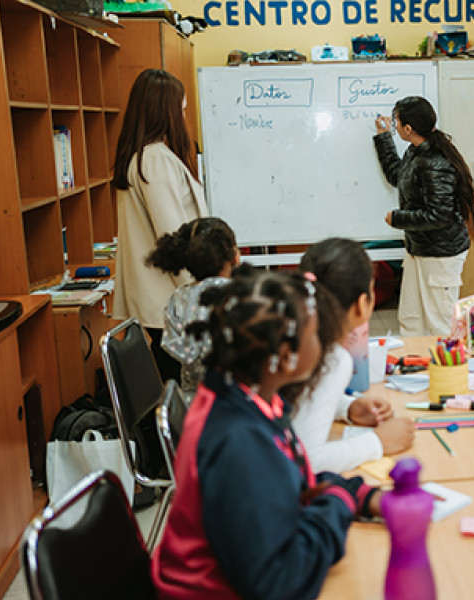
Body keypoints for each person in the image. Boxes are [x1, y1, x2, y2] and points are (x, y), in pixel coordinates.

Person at [152, 268, 381, 599]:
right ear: (286, 357)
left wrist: (358, 494)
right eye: (317, 335)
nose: (325, 343)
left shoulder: (244, 395)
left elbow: (287, 474)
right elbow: (277, 583)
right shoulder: (238, 440)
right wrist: (338, 503)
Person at [111, 68, 208, 383]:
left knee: (170, 381)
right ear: (165, 110)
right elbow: (173, 238)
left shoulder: (144, 156)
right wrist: (201, 291)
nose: (183, 114)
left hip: (160, 299)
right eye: (181, 108)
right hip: (170, 300)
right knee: (179, 384)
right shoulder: (155, 159)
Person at [293, 238, 415, 473]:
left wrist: (346, 408)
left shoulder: (291, 330)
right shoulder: (332, 358)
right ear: (362, 303)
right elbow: (307, 461)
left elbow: (296, 401)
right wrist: (378, 442)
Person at [373, 96, 474, 337]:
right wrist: (383, 137)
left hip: (441, 254)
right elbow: (397, 175)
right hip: (419, 249)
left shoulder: (435, 162)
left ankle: (447, 373)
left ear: (408, 129)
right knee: (411, 319)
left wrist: (398, 219)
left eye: (396, 122)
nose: (395, 125)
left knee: (439, 324)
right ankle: (418, 371)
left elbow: (439, 215)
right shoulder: (415, 151)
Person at [145, 217, 240, 398]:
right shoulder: (241, 296)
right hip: (236, 407)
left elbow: (177, 350)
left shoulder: (178, 299)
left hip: (191, 408)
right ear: (234, 257)